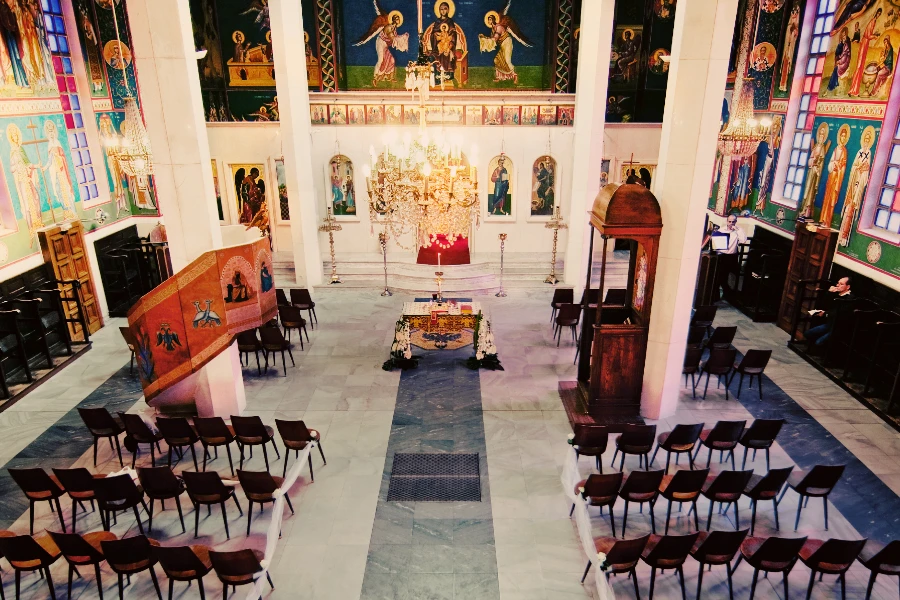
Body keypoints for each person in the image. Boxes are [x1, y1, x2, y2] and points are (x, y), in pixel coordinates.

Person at [804, 276, 852, 347]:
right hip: (829, 324)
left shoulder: (849, 298)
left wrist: (825, 314)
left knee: (819, 342)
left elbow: (840, 313)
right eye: (838, 283)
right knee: (807, 333)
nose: (837, 285)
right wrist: (829, 293)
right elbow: (825, 305)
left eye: (841, 284)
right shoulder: (836, 293)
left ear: (848, 287)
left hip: (839, 328)